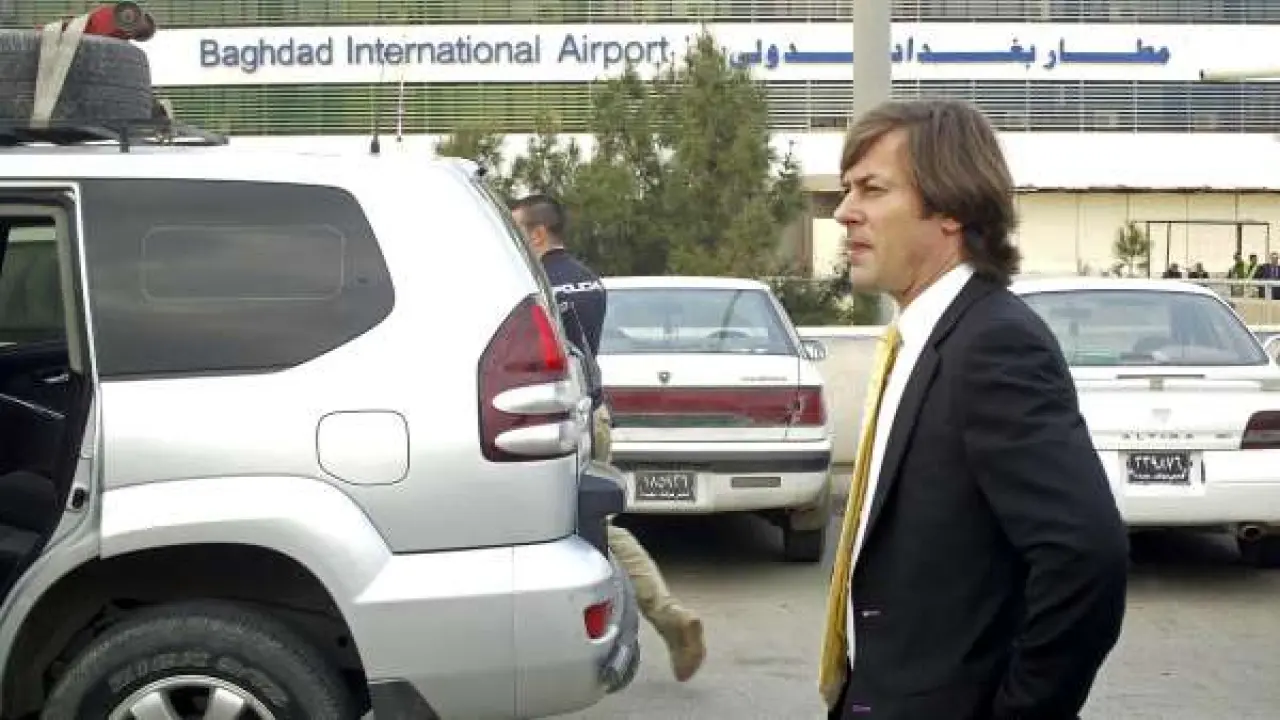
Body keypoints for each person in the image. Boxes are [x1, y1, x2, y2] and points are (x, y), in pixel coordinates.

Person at [817, 99, 1130, 720]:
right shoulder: (919, 339)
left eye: (872, 189)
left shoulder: (994, 343)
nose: (844, 211)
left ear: (952, 209)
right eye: (847, 189)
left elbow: (1085, 558)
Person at [509, 193, 706, 683]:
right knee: (593, 525)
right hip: (593, 412)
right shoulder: (589, 280)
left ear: (538, 234)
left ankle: (650, 623)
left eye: (517, 230)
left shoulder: (537, 285)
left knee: (584, 528)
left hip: (561, 419)